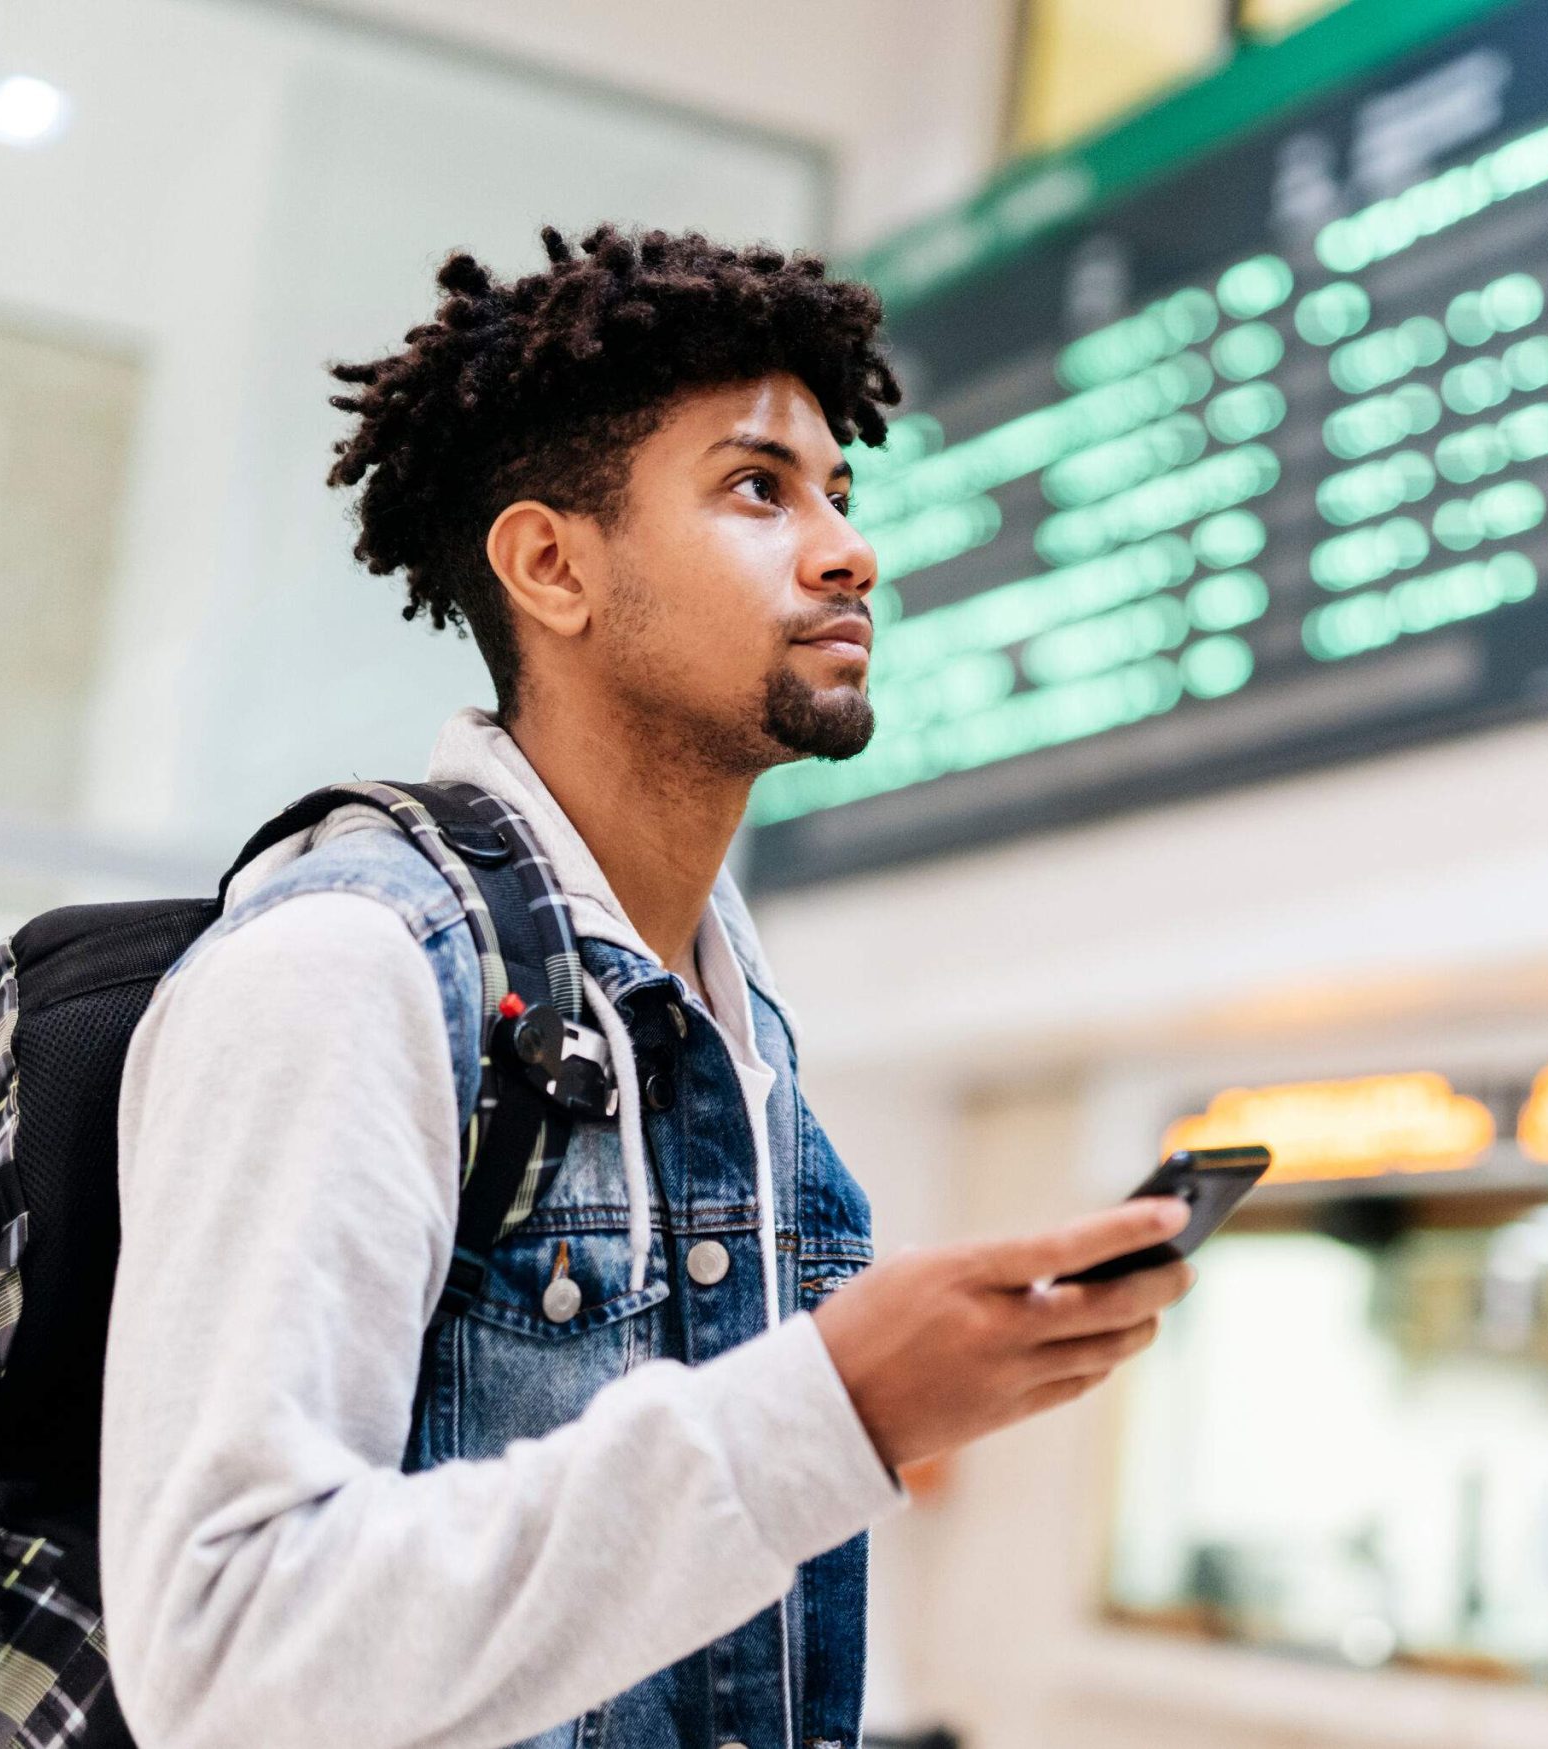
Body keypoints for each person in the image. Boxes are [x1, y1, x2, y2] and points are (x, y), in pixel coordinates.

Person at [99, 226, 1195, 1749]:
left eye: (839, 493)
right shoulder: (344, 967)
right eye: (758, 488)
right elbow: (224, 1666)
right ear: (553, 564)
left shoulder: (727, 1029)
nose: (847, 549)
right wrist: (837, 1410)